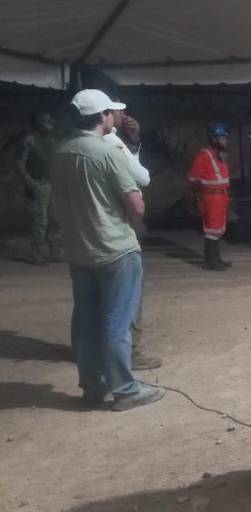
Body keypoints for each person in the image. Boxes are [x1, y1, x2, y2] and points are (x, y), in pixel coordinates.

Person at [49, 89, 164, 411]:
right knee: (116, 322)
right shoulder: (106, 152)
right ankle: (125, 390)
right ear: (102, 116)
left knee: (85, 322)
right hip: (115, 249)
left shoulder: (60, 151)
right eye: (111, 111)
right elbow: (136, 206)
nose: (116, 116)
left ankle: (92, 387)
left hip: (78, 250)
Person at [103, 103, 162, 370]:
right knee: (128, 291)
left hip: (94, 232)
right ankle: (131, 351)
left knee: (99, 295)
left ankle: (101, 350)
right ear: (104, 113)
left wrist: (134, 141)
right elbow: (142, 177)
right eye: (118, 110)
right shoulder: (111, 142)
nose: (124, 115)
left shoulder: (73, 145)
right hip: (119, 225)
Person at [14, 112, 63, 265]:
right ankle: (36, 254)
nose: (49, 124)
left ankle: (55, 251)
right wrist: (31, 183)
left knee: (56, 219)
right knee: (40, 221)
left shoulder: (51, 140)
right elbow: (19, 164)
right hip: (37, 185)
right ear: (37, 123)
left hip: (51, 184)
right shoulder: (29, 140)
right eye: (46, 121)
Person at [188, 123, 232, 271]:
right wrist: (200, 193)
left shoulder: (220, 155)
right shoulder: (204, 155)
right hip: (211, 197)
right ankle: (211, 261)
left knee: (218, 229)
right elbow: (193, 177)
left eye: (225, 138)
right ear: (214, 139)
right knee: (212, 230)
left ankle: (216, 259)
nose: (225, 141)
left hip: (221, 196)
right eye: (222, 138)